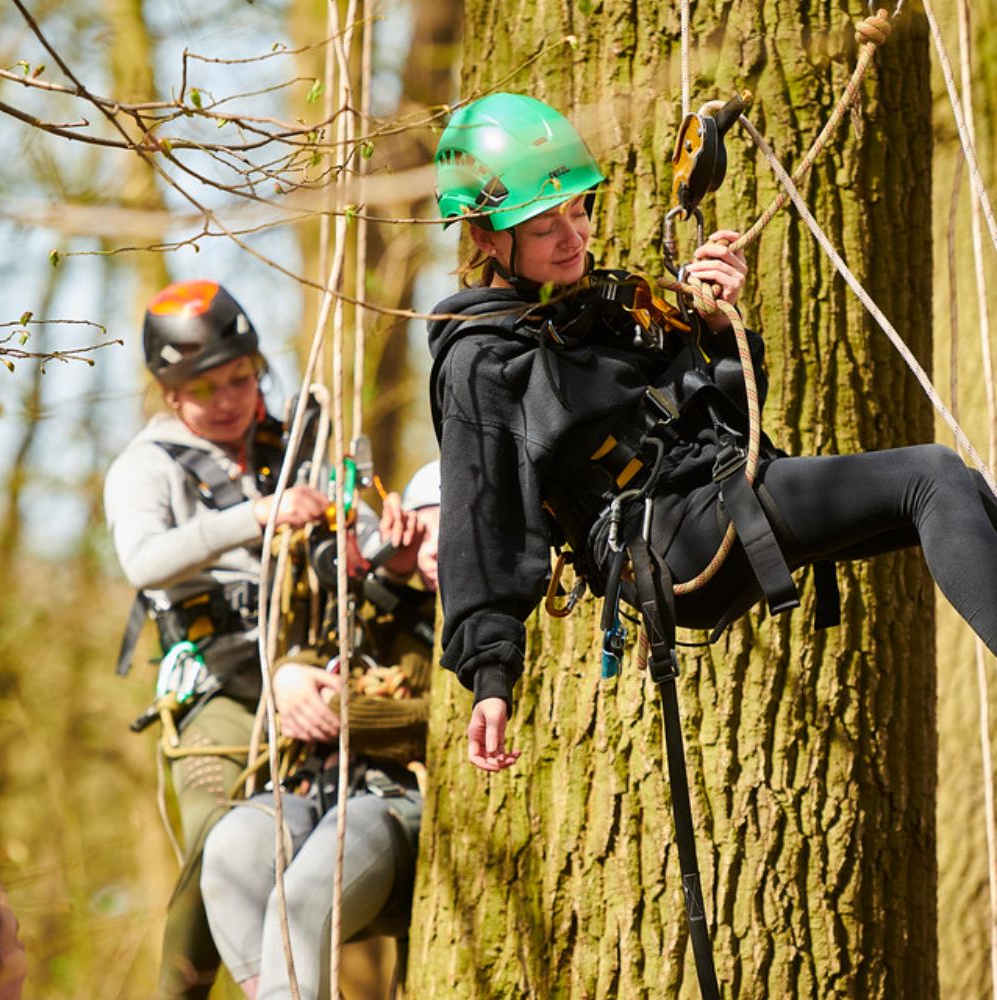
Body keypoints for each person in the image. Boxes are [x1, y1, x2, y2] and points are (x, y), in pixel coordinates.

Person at [427, 91, 997, 772]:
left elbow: (721, 407)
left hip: (711, 497)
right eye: (546, 224)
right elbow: (479, 514)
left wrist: (718, 328)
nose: (574, 236)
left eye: (578, 210)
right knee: (930, 476)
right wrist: (490, 678)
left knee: (961, 488)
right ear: (487, 237)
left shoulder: (606, 307)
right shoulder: (480, 358)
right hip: (666, 537)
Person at [103, 279, 418, 998]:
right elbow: (144, 561)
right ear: (169, 392)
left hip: (316, 659)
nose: (227, 400)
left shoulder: (299, 439)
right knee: (223, 839)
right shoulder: (146, 467)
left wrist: (390, 550)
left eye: (240, 379)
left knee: (364, 818)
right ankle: (178, 989)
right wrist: (258, 514)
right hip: (221, 681)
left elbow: (351, 537)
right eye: (203, 388)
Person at [199, 461, 440, 1000]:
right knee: (228, 851)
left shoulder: (475, 614)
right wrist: (286, 676)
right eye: (426, 532)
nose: (438, 553)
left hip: (392, 807)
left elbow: (438, 724)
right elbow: (323, 653)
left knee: (300, 902)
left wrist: (348, 718)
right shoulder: (386, 599)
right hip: (319, 793)